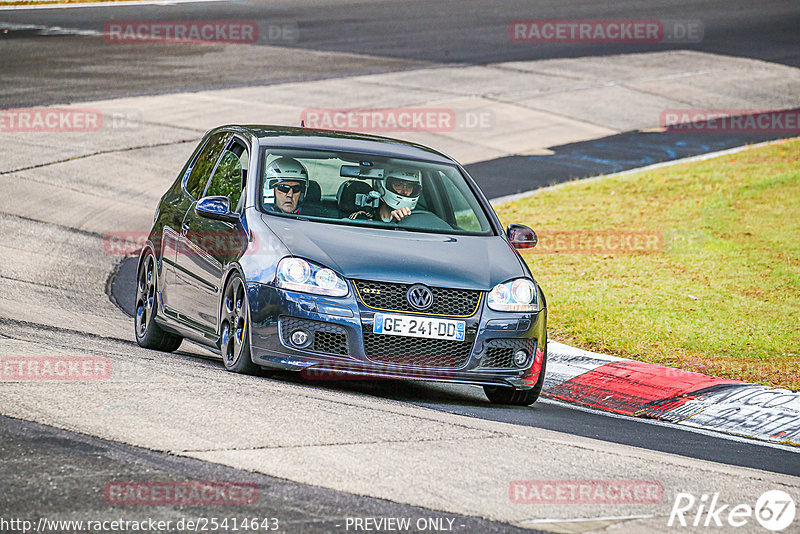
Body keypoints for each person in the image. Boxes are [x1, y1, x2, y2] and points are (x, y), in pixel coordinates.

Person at [349, 167, 422, 222]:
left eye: (409, 187)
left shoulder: (417, 220)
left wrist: (403, 220)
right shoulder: (363, 217)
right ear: (382, 186)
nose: (405, 192)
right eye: (398, 185)